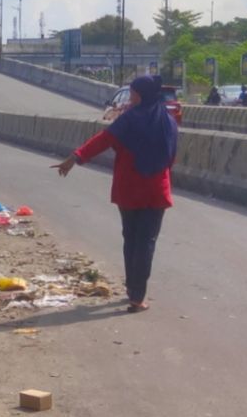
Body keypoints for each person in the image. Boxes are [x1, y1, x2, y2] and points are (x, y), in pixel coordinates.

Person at [51, 75, 177, 312]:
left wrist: (75, 158)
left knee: (131, 239)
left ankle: (133, 289)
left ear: (141, 95)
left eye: (133, 93)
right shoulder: (167, 122)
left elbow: (103, 140)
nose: (131, 97)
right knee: (146, 242)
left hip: (128, 189)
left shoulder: (128, 120)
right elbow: (171, 157)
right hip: (155, 190)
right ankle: (137, 296)